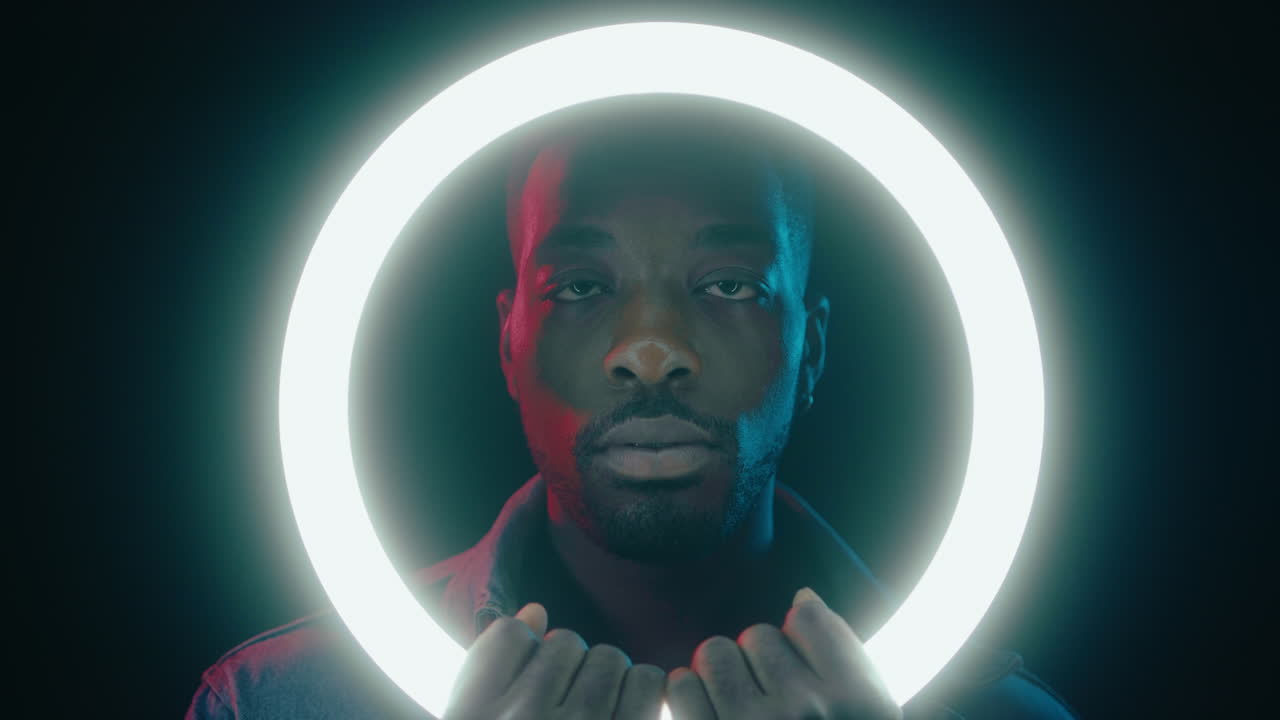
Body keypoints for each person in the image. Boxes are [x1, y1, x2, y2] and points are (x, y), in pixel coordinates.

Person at [187, 102, 1078, 719]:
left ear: (811, 349)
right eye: (580, 286)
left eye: (729, 284)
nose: (650, 350)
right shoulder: (282, 704)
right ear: (509, 342)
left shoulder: (994, 716)